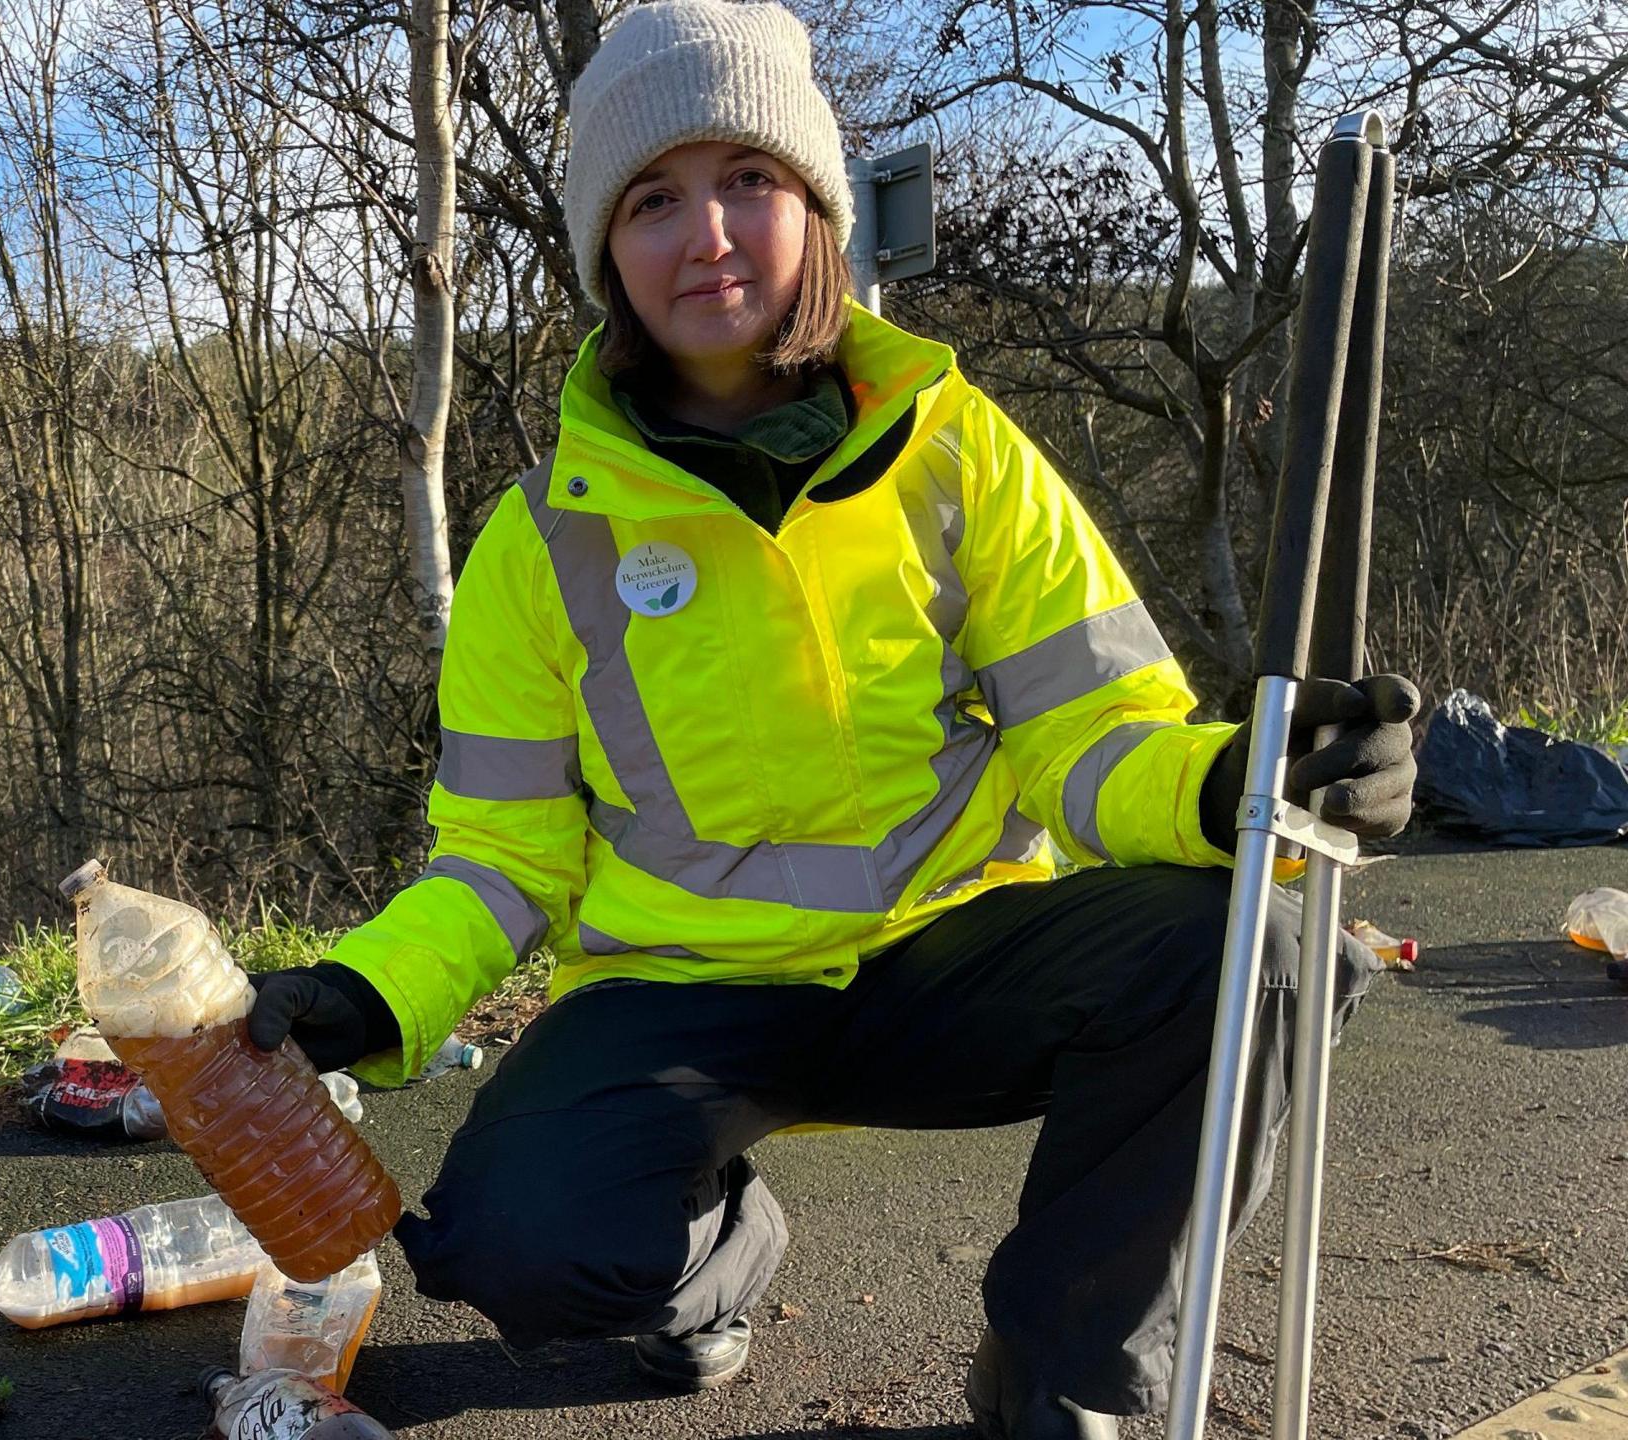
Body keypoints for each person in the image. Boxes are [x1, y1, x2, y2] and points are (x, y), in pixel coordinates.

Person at [240, 1, 1422, 1435]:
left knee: (1270, 954)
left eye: (751, 180)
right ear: (606, 248)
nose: (710, 236)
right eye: (656, 199)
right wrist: (366, 994)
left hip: (951, 952)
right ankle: (715, 1268)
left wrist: (1241, 782)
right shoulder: (540, 540)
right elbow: (502, 856)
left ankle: (1062, 1380)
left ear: (819, 210)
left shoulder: (957, 448)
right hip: (684, 996)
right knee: (513, 1244)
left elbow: (1094, 735)